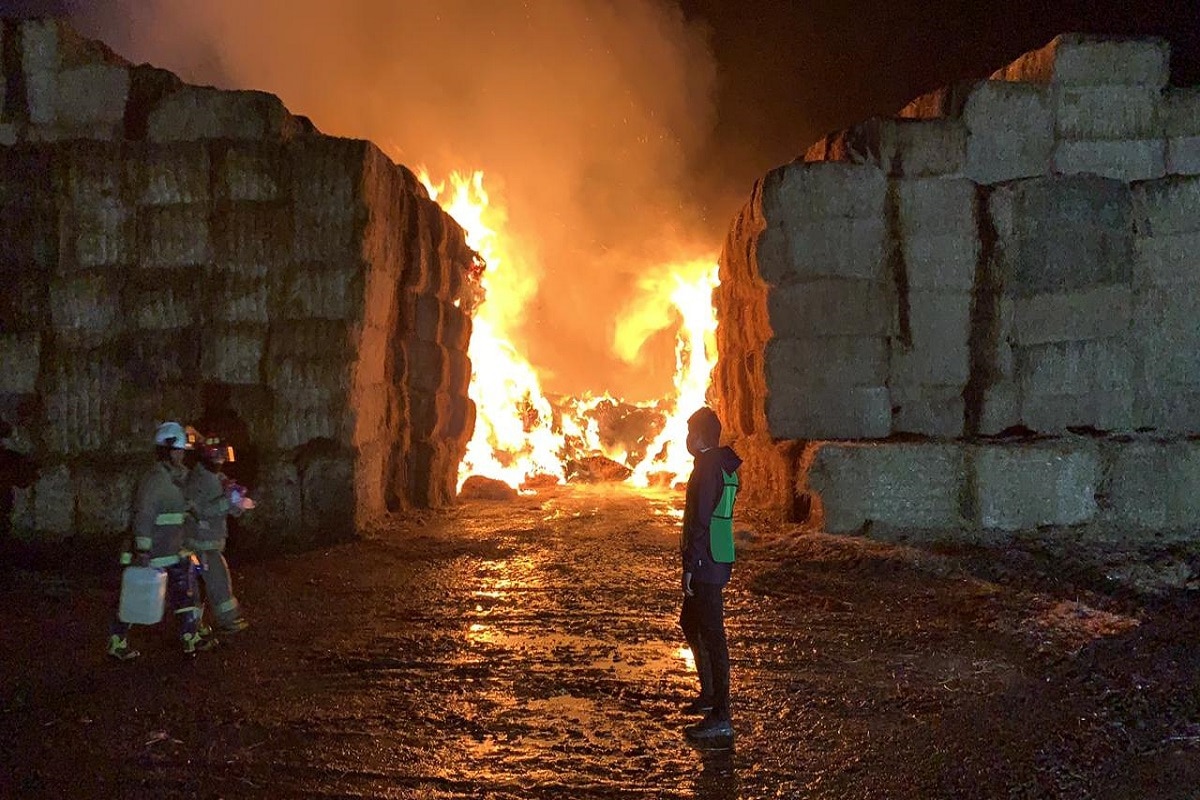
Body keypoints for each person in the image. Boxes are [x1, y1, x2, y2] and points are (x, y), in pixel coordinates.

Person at [107, 421, 213, 660]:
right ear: (166, 450)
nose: (181, 454)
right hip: (153, 553)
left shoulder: (179, 478)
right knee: (136, 597)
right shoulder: (155, 480)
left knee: (187, 593)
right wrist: (142, 551)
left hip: (174, 550)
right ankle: (117, 640)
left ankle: (190, 636)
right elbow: (144, 515)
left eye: (182, 450)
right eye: (177, 450)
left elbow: (186, 506)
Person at [678, 406, 742, 745]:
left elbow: (700, 520)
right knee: (690, 623)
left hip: (706, 563)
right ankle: (710, 695)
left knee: (714, 635)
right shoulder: (725, 466)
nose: (687, 438)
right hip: (719, 557)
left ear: (700, 436)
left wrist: (690, 565)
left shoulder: (706, 469)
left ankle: (721, 714)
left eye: (690, 432)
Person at [185, 435, 254, 634]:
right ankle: (226, 621)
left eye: (224, 454)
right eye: (217, 454)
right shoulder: (197, 479)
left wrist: (239, 502)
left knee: (201, 587)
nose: (221, 458)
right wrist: (226, 501)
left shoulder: (217, 477)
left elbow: (228, 505)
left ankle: (194, 626)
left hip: (210, 543)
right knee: (218, 583)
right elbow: (201, 510)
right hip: (201, 543)